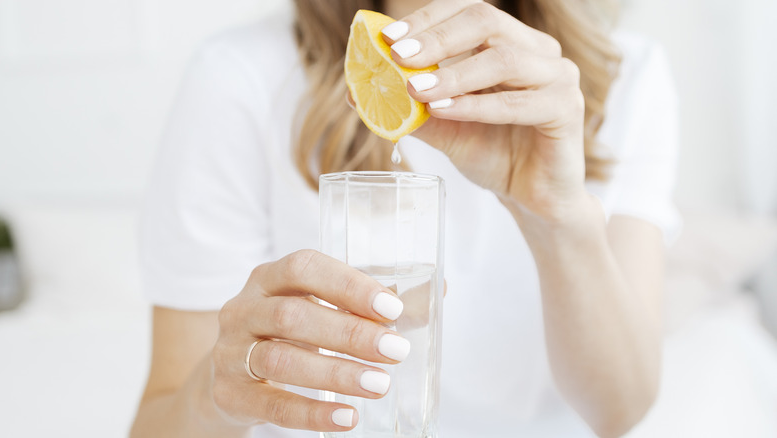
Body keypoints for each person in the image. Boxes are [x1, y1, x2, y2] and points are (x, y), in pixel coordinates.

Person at [130, 0, 679, 436]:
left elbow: (619, 411)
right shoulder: (239, 75)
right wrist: (217, 392)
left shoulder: (623, 77)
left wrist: (556, 215)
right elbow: (158, 422)